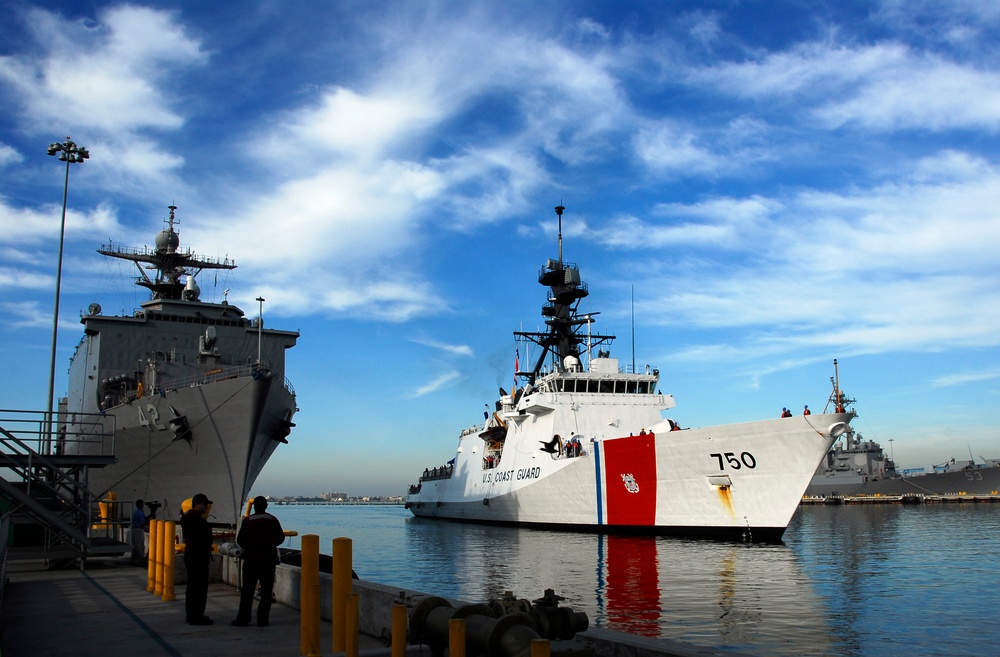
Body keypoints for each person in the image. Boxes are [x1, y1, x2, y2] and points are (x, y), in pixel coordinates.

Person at [232, 496, 286, 627]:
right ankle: (263, 620)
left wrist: (250, 547)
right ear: (266, 506)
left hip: (251, 559)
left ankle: (243, 619)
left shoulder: (248, 520)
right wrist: (270, 545)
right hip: (268, 560)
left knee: (247, 591)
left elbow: (240, 540)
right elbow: (281, 537)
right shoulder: (272, 520)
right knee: (266, 592)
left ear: (254, 506)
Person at [180, 493, 214, 625]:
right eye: (205, 504)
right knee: (199, 587)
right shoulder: (195, 519)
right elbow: (201, 535)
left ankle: (193, 614)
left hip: (193, 553)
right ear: (198, 504)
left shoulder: (188, 517)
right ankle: (197, 615)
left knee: (193, 586)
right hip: (198, 554)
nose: (206, 507)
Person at [129, 499, 146, 566]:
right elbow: (142, 523)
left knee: (135, 546)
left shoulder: (135, 512)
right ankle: (141, 561)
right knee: (140, 546)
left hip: (134, 529)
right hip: (139, 530)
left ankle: (132, 560)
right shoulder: (140, 513)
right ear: (141, 505)